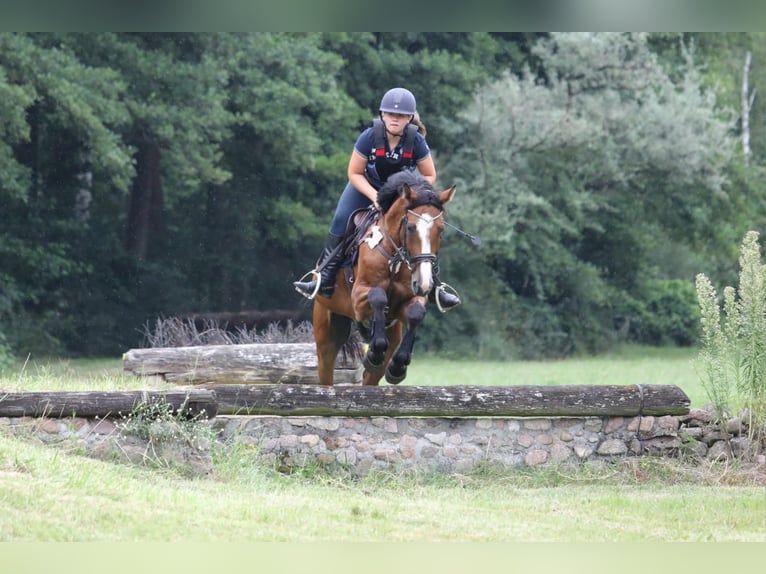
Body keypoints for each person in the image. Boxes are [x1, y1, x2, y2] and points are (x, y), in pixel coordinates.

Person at [293, 87, 460, 311]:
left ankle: (437, 289)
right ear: (382, 115)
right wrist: (375, 197)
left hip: (402, 194)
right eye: (390, 114)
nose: (394, 119)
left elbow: (429, 175)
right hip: (366, 187)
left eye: (400, 116)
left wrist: (414, 194)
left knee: (425, 228)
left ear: (409, 118)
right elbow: (354, 173)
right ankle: (323, 277)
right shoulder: (369, 137)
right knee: (341, 219)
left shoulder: (417, 141)